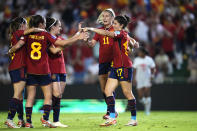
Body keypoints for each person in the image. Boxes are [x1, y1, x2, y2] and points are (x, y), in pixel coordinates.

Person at [11, 15, 87, 128]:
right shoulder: (46, 36)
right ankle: (45, 119)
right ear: (43, 24)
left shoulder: (28, 35)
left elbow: (20, 43)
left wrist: (11, 49)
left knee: (35, 96)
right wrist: (74, 39)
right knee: (49, 96)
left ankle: (29, 121)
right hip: (45, 70)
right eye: (44, 22)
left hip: (37, 69)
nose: (45, 25)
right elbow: (59, 47)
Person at [84, 15, 138, 126]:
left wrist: (92, 28)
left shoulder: (121, 33)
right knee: (107, 91)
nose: (113, 25)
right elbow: (132, 44)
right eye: (113, 23)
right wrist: (131, 47)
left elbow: (109, 34)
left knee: (127, 93)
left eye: (115, 24)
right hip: (115, 67)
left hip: (124, 66)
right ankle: (112, 118)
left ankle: (133, 119)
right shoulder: (124, 35)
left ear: (121, 25)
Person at [5, 17, 44, 128]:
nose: (27, 26)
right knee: (17, 95)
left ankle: (21, 119)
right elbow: (32, 30)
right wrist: (43, 30)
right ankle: (9, 118)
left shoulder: (16, 35)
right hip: (19, 67)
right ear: (22, 25)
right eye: (26, 24)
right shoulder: (19, 32)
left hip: (14, 67)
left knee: (20, 96)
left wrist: (10, 50)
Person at [85, 8, 118, 119]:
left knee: (109, 88)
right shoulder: (99, 31)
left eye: (107, 16)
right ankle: (111, 110)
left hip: (114, 61)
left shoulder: (116, 30)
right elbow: (92, 45)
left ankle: (111, 112)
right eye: (103, 16)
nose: (104, 18)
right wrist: (86, 40)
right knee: (104, 89)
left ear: (112, 18)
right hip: (102, 62)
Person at [46, 17, 67, 127]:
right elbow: (54, 50)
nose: (60, 28)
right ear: (53, 27)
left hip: (62, 69)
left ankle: (55, 120)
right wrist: (65, 44)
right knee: (55, 94)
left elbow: (64, 45)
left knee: (58, 96)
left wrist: (66, 43)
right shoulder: (47, 39)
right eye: (59, 26)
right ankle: (46, 118)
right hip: (53, 69)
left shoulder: (60, 38)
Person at [133, 47, 156, 115]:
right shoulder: (136, 60)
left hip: (147, 78)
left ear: (143, 53)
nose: (138, 53)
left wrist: (152, 76)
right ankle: (146, 103)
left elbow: (153, 68)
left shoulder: (149, 59)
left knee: (147, 93)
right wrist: (134, 78)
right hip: (139, 78)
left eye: (140, 52)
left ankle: (147, 111)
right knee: (140, 96)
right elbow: (134, 69)